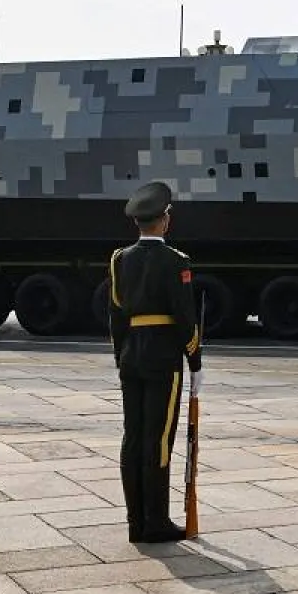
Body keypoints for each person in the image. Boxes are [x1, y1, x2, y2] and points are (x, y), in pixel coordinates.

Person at [108, 180, 203, 543]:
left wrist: (121, 357)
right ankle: (157, 521)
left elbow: (116, 315)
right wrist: (194, 360)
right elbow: (184, 316)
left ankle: (136, 522)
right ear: (164, 221)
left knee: (133, 437)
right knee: (159, 440)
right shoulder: (176, 261)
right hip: (163, 357)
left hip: (131, 355)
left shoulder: (120, 259)